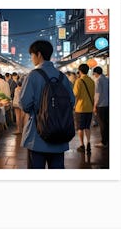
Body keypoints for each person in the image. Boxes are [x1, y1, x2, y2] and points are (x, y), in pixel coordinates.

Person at [19, 40, 75, 169]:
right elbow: (72, 101)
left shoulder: (33, 76)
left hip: (37, 135)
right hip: (60, 134)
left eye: (32, 55)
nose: (32, 59)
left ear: (38, 54)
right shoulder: (62, 77)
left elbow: (25, 104)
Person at [73, 63, 95, 153]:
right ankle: (88, 143)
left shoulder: (79, 81)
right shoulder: (91, 81)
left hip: (80, 108)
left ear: (80, 71)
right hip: (89, 107)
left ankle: (82, 145)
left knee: (80, 128)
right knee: (87, 127)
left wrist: (73, 105)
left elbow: (75, 95)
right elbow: (93, 94)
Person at [92, 66, 109, 147]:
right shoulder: (106, 79)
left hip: (101, 105)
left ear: (96, 73)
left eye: (94, 73)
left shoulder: (98, 81)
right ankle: (107, 141)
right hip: (107, 104)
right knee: (106, 123)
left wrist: (95, 106)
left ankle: (103, 142)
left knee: (102, 124)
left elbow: (97, 94)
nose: (94, 75)